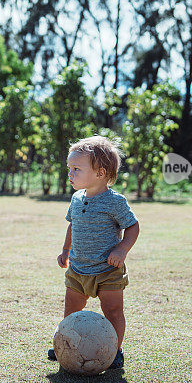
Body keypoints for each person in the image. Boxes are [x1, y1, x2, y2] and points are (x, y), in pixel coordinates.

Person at [49, 135, 140, 370]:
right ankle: (66, 342)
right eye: (69, 168)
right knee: (71, 309)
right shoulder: (76, 198)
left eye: (76, 169)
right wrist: (65, 250)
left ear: (100, 173)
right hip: (78, 268)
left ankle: (115, 350)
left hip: (108, 270)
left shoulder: (114, 202)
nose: (70, 174)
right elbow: (73, 225)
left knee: (113, 311)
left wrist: (122, 249)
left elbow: (132, 226)